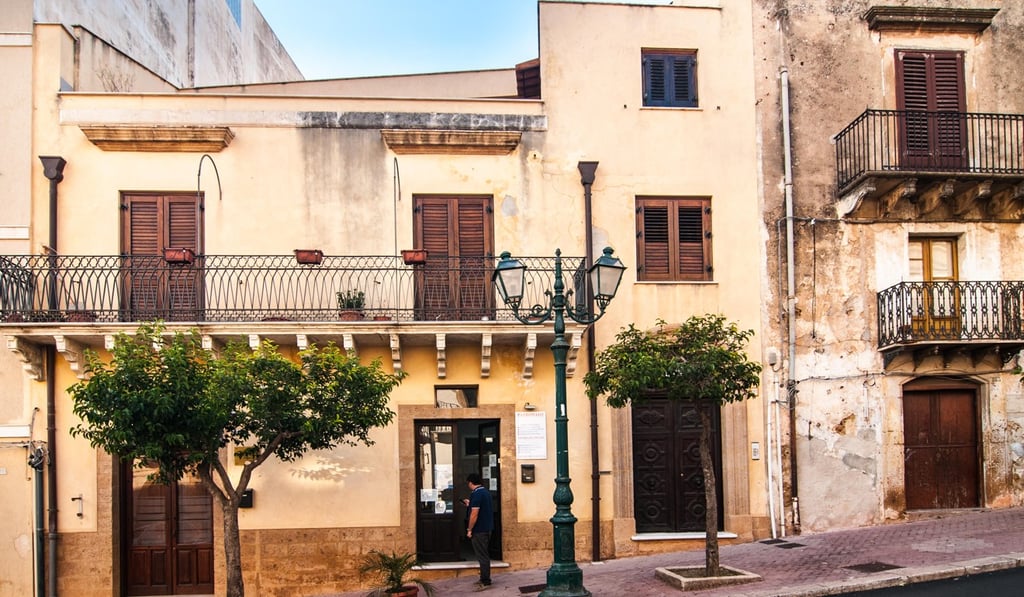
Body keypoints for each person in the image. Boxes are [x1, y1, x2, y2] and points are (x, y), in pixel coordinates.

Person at [464, 472, 494, 591]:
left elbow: (474, 514)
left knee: (482, 555)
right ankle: (483, 578)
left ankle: (486, 581)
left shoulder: (477, 494)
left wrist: (469, 529)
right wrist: (469, 504)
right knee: (483, 554)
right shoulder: (485, 492)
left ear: (471, 483)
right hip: (487, 527)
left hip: (479, 529)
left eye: (468, 483)